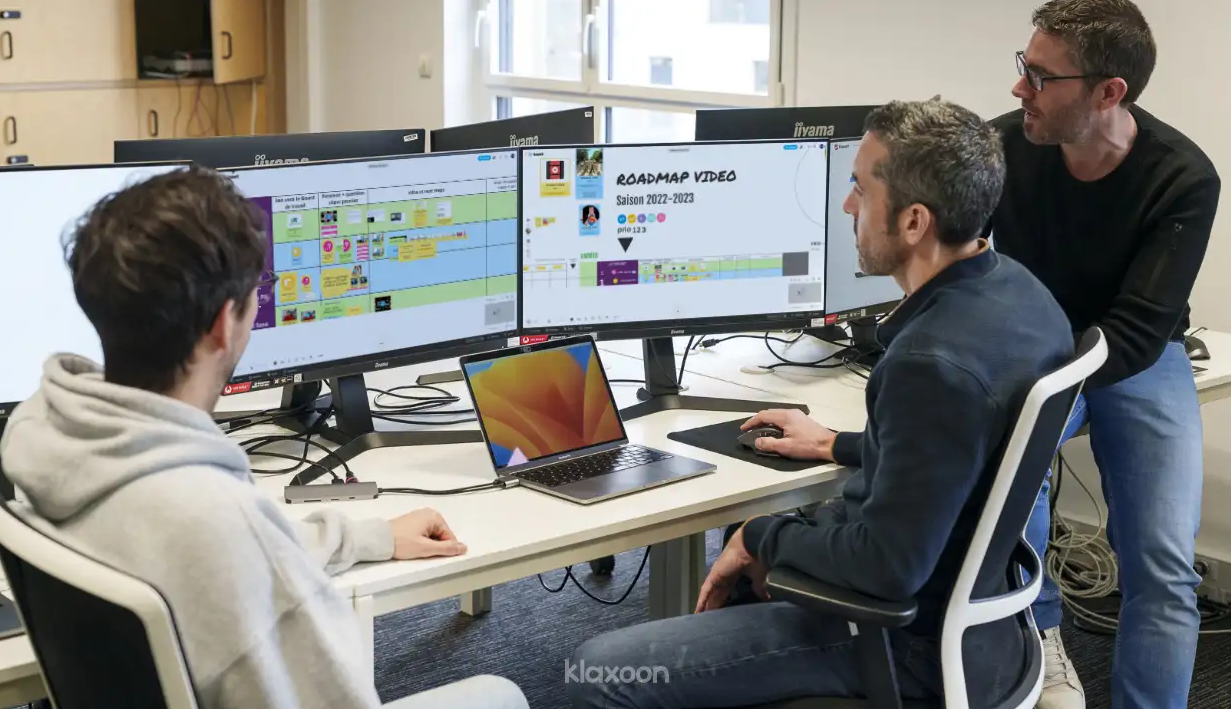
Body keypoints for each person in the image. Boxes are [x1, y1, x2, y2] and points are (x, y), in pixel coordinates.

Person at [565, 98, 1075, 709]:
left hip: (901, 648)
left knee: (595, 670)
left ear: (914, 221)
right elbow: (967, 449)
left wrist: (761, 536)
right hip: (987, 629)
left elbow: (888, 569)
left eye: (860, 188)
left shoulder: (929, 364)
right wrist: (837, 444)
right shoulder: (1023, 295)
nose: (847, 206)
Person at [0, 166, 529, 709]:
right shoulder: (216, 520)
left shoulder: (47, 430)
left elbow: (222, 552)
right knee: (500, 693)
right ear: (224, 324)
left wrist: (368, 537)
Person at [989, 2, 1221, 707]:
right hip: (1032, 345)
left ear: (1107, 92)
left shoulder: (1182, 177)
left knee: (1162, 566)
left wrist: (1047, 390)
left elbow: (1137, 330)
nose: (1018, 88)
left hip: (1135, 353)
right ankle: (1043, 643)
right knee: (999, 500)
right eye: (1022, 66)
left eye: (1038, 75)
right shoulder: (999, 147)